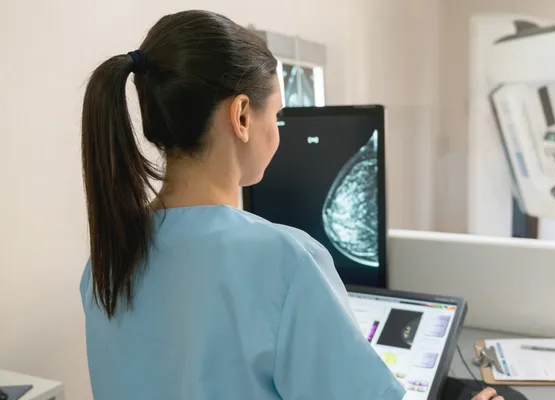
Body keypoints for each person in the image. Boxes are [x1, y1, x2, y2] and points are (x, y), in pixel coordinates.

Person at [79, 9, 506, 400]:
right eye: (278, 115)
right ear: (242, 116)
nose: (279, 132)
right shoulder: (285, 263)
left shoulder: (106, 264)